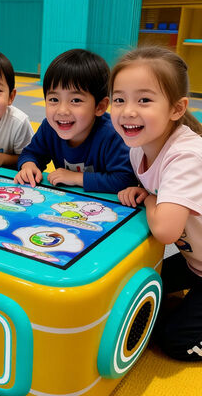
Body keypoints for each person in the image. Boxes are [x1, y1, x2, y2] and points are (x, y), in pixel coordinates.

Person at [110, 46, 202, 361]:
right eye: (119, 99)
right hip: (194, 263)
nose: (127, 111)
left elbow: (165, 230)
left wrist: (150, 198)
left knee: (174, 341)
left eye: (144, 100)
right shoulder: (139, 147)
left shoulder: (187, 154)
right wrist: (143, 192)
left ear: (177, 109)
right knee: (129, 294)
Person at [14, 49, 137, 192]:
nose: (62, 111)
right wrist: (29, 166)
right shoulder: (49, 127)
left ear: (100, 107)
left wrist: (77, 178)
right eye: (54, 99)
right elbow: (31, 153)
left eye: (76, 100)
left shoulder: (113, 134)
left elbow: (126, 179)